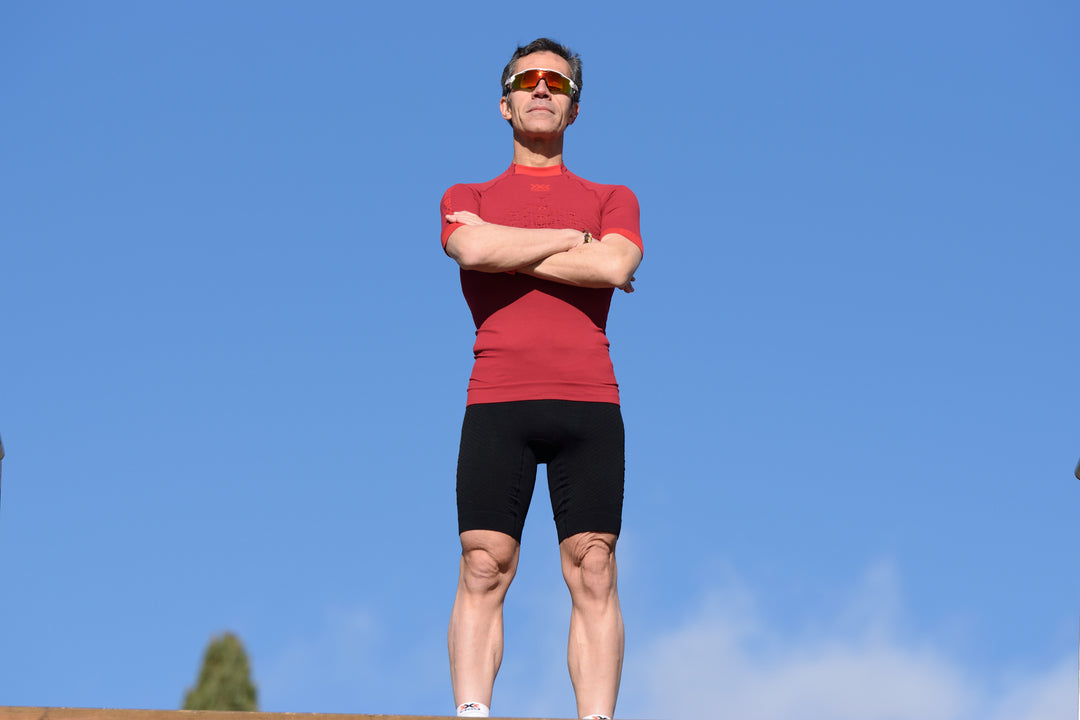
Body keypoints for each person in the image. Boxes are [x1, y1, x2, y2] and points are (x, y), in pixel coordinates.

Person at [440, 38, 644, 720]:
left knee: (595, 567)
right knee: (483, 564)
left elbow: (614, 267)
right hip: (497, 399)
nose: (541, 89)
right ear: (504, 104)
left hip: (590, 400)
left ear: (573, 110)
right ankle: (473, 712)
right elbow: (469, 247)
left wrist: (506, 247)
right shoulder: (467, 196)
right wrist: (572, 240)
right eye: (527, 79)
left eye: (557, 83)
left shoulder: (612, 197)